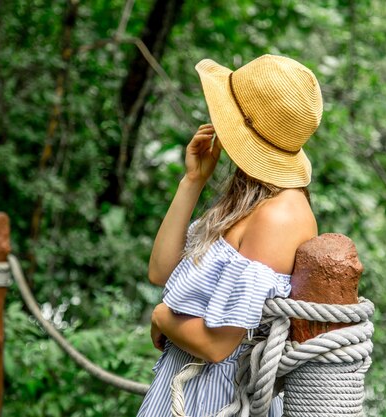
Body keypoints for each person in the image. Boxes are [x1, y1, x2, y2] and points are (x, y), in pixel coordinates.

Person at [137, 54, 323, 417]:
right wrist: (193, 181)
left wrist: (162, 317)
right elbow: (161, 271)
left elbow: (217, 345)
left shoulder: (279, 216)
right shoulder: (250, 196)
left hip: (216, 400)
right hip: (187, 389)